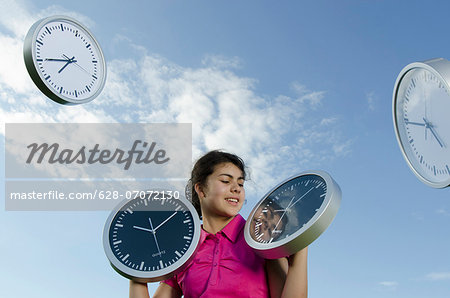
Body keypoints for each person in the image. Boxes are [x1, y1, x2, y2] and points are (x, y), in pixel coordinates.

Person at [130, 150, 308, 298]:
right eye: (225, 181)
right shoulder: (182, 250)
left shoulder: (259, 238)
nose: (236, 188)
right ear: (200, 189)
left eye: (240, 183)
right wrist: (134, 269)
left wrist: (301, 248)